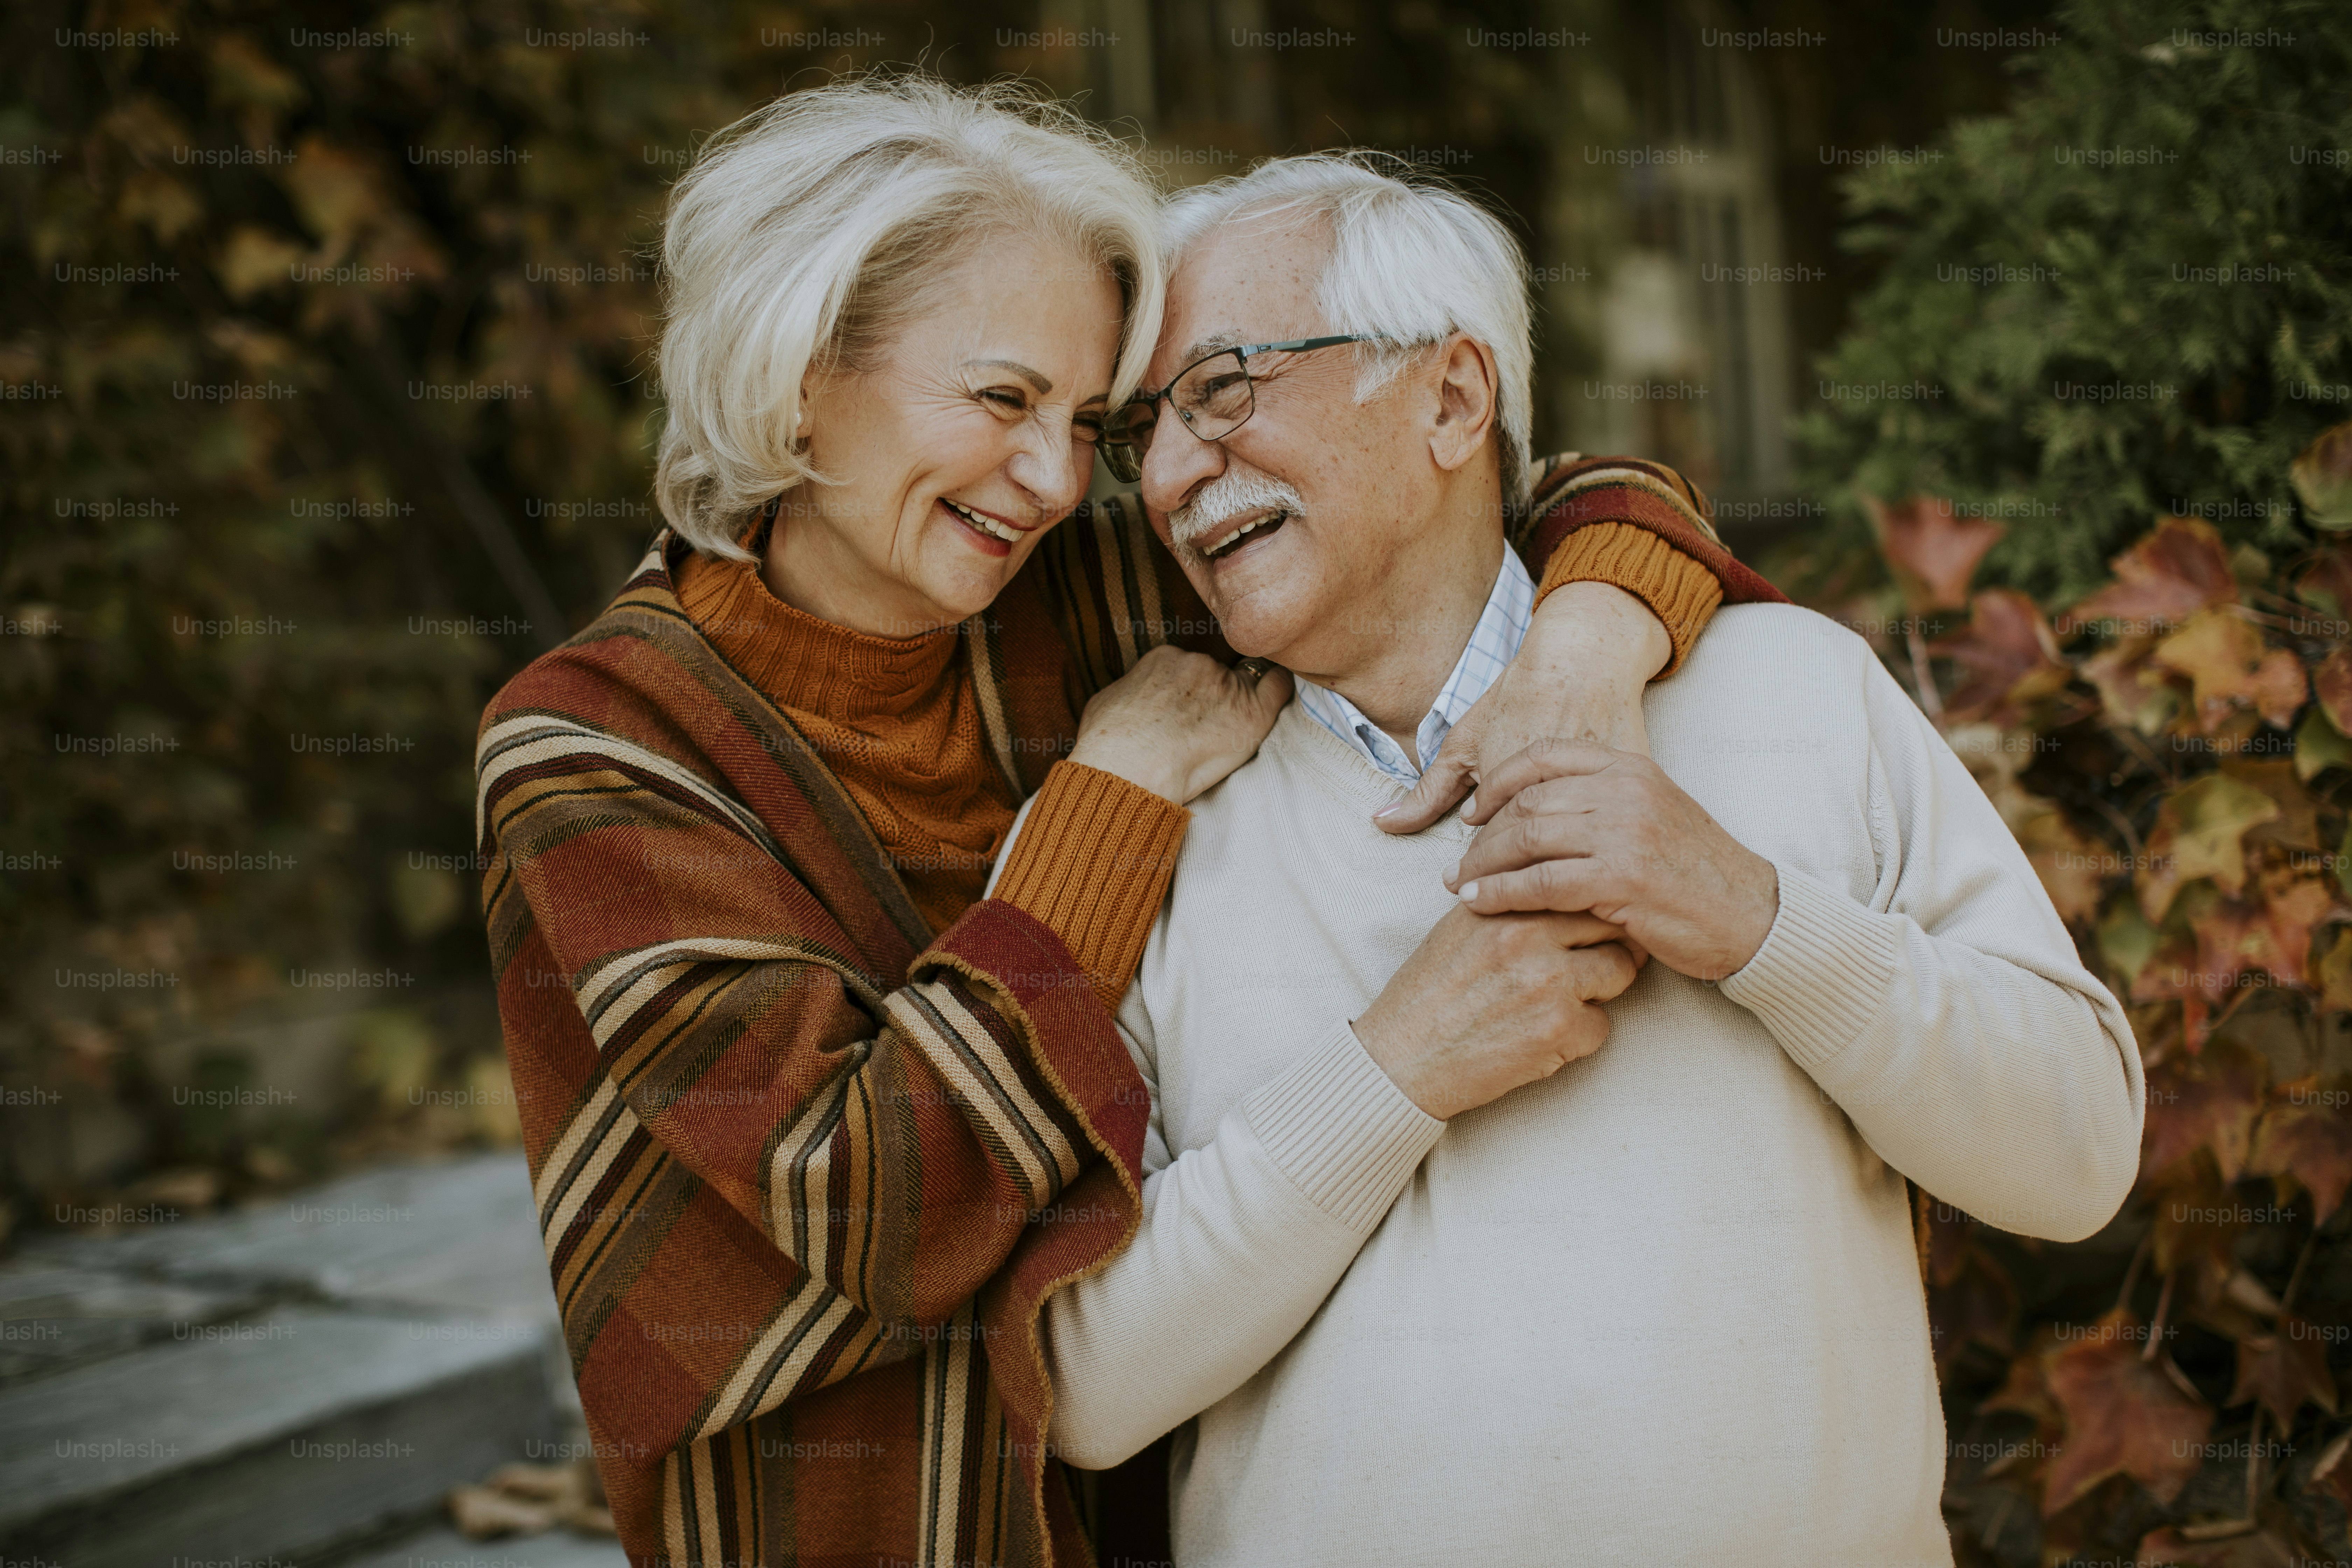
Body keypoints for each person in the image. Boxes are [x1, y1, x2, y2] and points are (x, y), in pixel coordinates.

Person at [474, 79, 1745, 1566]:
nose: (1057, 480)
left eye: (1092, 423)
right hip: (869, 1509)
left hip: (1181, 1459)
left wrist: (1587, 650)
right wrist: (1110, 795)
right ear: (802, 371)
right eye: (1004, 400)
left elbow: (1518, 497)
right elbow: (881, 1199)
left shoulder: (1064, 589)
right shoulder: (595, 746)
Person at [1029, 154, 2146, 1567]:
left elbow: (2078, 1155)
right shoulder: (1144, 813)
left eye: (1226, 388)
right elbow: (1083, 1382)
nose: (1176, 473)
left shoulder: (1795, 690)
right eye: (1146, 435)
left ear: (1450, 398)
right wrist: (1395, 1069)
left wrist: (1754, 920)